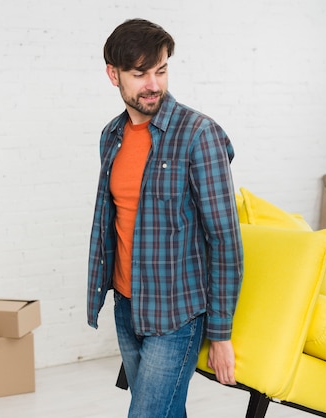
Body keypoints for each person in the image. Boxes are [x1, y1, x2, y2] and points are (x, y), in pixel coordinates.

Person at [86, 18, 244, 417]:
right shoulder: (112, 136)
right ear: (113, 75)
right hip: (127, 304)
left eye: (161, 70)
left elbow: (224, 238)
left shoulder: (198, 135)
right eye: (139, 74)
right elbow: (113, 221)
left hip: (176, 315)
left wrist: (221, 333)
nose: (153, 84)